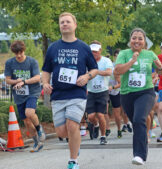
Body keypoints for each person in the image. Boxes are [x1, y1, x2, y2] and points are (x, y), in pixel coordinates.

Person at [42, 12, 98, 169]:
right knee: (61, 132)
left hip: (77, 93)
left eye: (67, 21)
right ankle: (75, 144)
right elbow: (46, 70)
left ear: (75, 25)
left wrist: (87, 77)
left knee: (72, 124)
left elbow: (94, 69)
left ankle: (73, 160)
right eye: (62, 22)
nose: (64, 24)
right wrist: (45, 83)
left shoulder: (83, 47)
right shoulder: (53, 47)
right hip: (58, 95)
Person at [114, 28, 162, 165]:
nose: (137, 41)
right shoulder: (124, 54)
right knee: (136, 123)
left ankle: (139, 155)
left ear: (144, 41)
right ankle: (142, 142)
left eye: (140, 38)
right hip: (127, 94)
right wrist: (131, 61)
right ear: (130, 40)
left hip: (146, 92)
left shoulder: (150, 54)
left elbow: (161, 71)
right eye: (134, 38)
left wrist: (160, 68)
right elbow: (117, 70)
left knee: (139, 119)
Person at [5, 40, 46, 152]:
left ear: (24, 50)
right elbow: (8, 80)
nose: (18, 55)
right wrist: (15, 81)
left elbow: (38, 78)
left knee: (29, 112)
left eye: (20, 53)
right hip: (19, 95)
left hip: (32, 92)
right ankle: (37, 141)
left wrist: (24, 81)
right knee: (26, 121)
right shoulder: (9, 63)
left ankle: (39, 129)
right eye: (16, 53)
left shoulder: (32, 62)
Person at [86, 40, 113, 145]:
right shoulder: (87, 61)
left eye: (96, 51)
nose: (94, 53)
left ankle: (103, 136)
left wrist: (97, 72)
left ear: (100, 50)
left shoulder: (106, 61)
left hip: (103, 91)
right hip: (91, 92)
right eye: (92, 51)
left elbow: (109, 72)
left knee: (101, 115)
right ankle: (96, 125)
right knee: (90, 117)